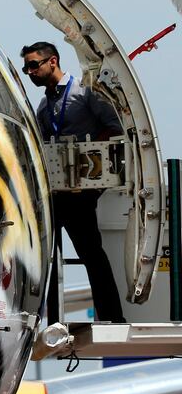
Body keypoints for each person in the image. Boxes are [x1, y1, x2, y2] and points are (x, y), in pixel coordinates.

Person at [21, 41, 126, 323]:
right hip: (57, 191)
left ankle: (112, 317)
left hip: (82, 189)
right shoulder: (45, 105)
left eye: (34, 65)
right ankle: (53, 320)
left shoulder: (85, 92)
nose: (29, 72)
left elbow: (114, 127)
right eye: (26, 67)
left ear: (52, 61)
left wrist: (86, 155)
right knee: (48, 255)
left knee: (91, 252)